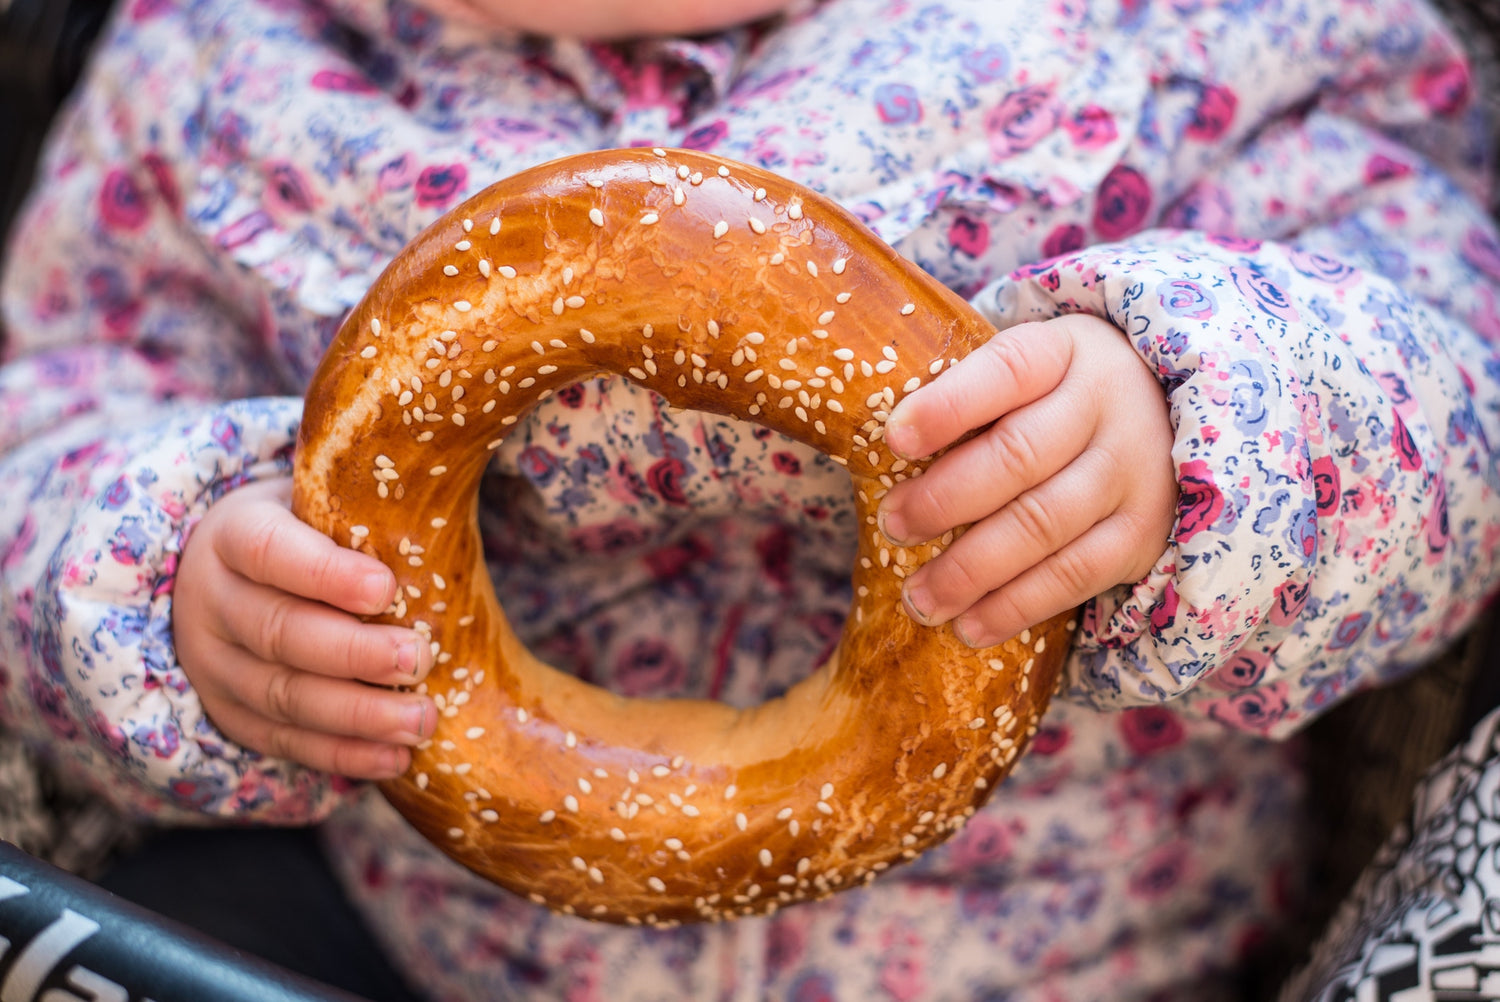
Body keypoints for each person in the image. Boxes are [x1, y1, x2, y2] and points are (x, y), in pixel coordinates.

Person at [1, 0, 1497, 998]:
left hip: (1083, 949)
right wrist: (165, 579)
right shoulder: (214, 79)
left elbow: (1463, 411)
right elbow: (49, 414)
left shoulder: (1174, 34)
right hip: (441, 942)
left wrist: (1197, 428)